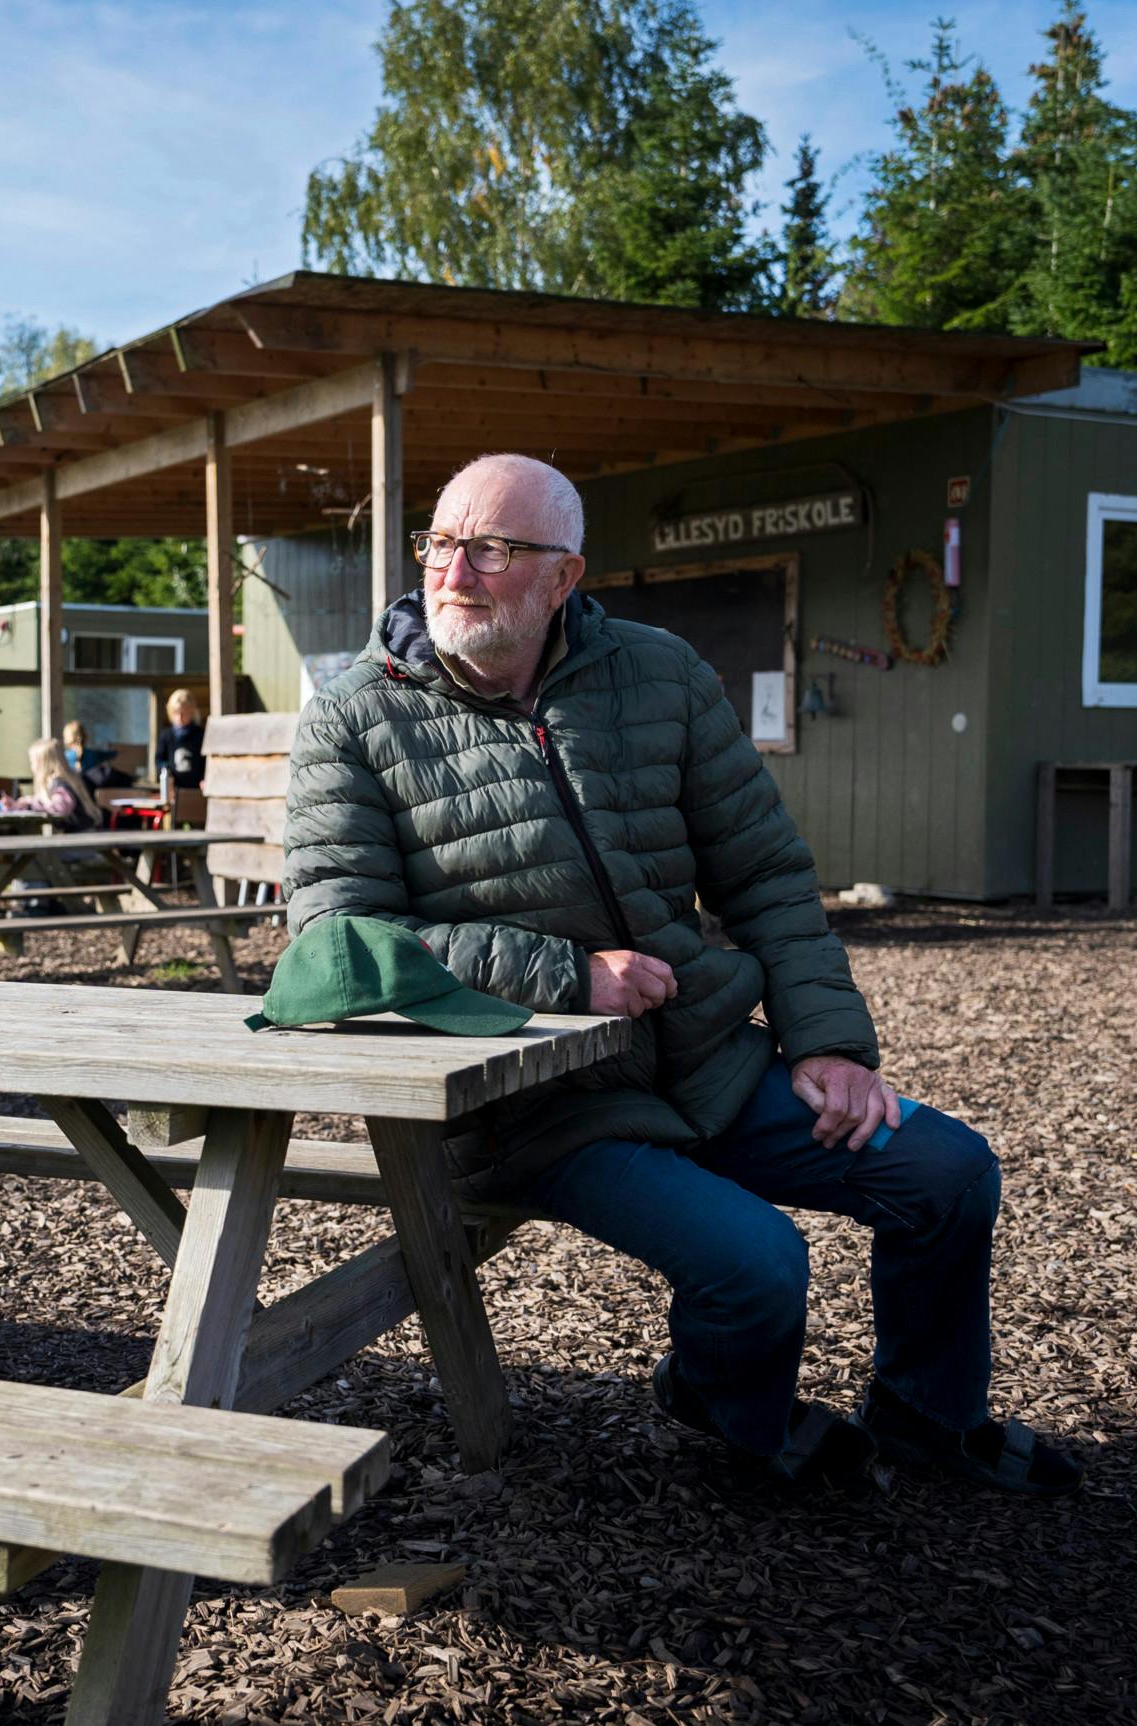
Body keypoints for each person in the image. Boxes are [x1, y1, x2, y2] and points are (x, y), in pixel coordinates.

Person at [281, 451, 1082, 1496]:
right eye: (441, 541)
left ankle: (929, 1411)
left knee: (945, 1172)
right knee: (755, 1263)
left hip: (704, 1055)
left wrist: (829, 1043)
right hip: (533, 1099)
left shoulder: (657, 673)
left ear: (563, 577)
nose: (453, 570)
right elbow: (333, 940)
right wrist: (568, 975)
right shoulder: (356, 715)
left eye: (493, 548)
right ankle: (726, 1401)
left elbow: (762, 871)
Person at [2, 738, 104, 832]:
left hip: (80, 842)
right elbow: (43, 801)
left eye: (32, 762)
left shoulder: (61, 784)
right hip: (82, 837)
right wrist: (22, 803)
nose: (31, 766)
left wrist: (29, 806)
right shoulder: (65, 780)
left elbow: (59, 809)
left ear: (43, 764)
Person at [157, 689, 206, 791]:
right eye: (176, 713)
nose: (179, 717)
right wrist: (167, 774)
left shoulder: (199, 735)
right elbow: (160, 760)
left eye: (183, 713)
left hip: (195, 788)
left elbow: (204, 761)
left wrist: (204, 778)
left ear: (191, 712)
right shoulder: (166, 736)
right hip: (174, 788)